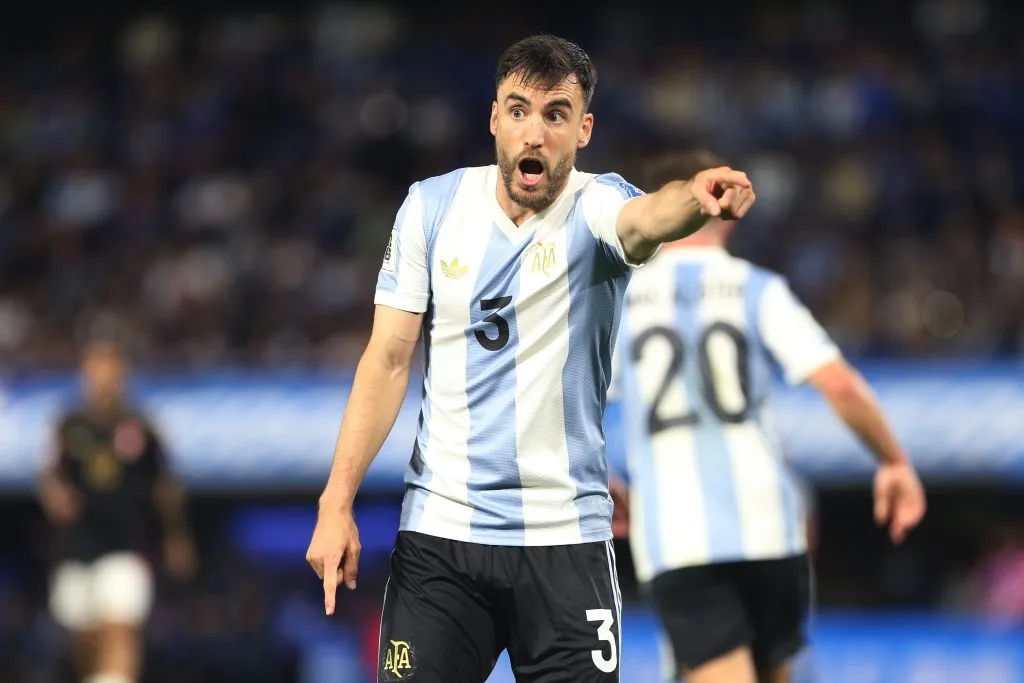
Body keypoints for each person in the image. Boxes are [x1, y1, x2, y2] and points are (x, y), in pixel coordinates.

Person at [305, 35, 756, 683]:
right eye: (519, 111)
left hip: (564, 543)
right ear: (494, 118)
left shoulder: (599, 207)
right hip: (442, 539)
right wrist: (336, 499)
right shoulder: (431, 209)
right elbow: (387, 361)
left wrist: (695, 197)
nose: (534, 133)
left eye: (556, 114)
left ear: (584, 129)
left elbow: (649, 216)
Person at [606, 149, 927, 683]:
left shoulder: (621, 300)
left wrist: (602, 481)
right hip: (774, 532)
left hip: (682, 535)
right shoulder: (758, 289)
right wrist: (893, 461)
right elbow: (841, 384)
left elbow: (573, 403)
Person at [39, 342, 196, 683]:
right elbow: (49, 474)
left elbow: (166, 485)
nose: (102, 379)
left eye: (109, 370)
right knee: (84, 636)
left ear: (122, 375)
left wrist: (176, 537)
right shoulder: (68, 425)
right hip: (77, 546)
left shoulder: (142, 425)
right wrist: (55, 495)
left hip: (128, 543)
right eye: (94, 370)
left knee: (121, 626)